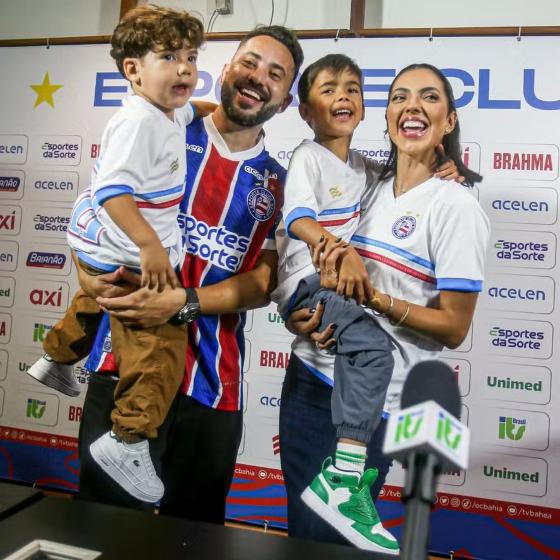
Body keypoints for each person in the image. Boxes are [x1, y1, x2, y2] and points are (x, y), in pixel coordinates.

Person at [73, 25, 304, 524]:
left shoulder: (281, 185)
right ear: (224, 71)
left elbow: (263, 283)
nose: (257, 77)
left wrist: (185, 302)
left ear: (285, 101)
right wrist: (90, 280)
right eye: (249, 62)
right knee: (104, 522)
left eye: (275, 74)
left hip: (212, 381)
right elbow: (96, 210)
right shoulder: (163, 126)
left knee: (194, 534)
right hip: (124, 364)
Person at [280, 62, 490, 547]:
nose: (412, 106)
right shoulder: (367, 181)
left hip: (371, 403)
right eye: (400, 96)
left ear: (449, 120)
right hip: (309, 382)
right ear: (388, 113)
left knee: (334, 542)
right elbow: (306, 255)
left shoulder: (455, 206)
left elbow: (454, 328)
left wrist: (372, 297)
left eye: (429, 97)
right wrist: (300, 315)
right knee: (302, 535)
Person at [27, 4, 205, 503]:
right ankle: (127, 439)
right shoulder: (138, 124)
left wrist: (214, 112)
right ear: (133, 70)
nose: (185, 68)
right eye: (169, 57)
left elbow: (195, 110)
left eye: (191, 57)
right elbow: (113, 192)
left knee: (93, 299)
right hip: (124, 251)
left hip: (96, 246)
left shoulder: (166, 111)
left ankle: (57, 356)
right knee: (160, 348)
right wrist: (150, 245)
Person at [271, 53, 398, 555]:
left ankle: (348, 478)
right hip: (312, 286)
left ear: (364, 107)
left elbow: (414, 177)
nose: (342, 96)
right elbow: (299, 215)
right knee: (372, 349)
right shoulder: (307, 154)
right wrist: (330, 246)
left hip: (336, 300)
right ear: (305, 110)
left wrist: (448, 168)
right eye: (328, 89)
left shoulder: (368, 169)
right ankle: (343, 477)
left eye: (352, 89)